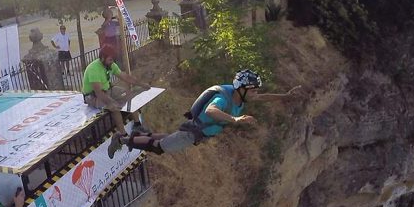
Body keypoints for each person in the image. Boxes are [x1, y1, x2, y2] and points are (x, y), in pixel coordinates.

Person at [107, 70, 295, 158]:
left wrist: (285, 96)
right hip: (193, 133)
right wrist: (235, 119)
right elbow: (211, 110)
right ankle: (122, 140)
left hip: (197, 132)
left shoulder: (240, 95)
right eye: (253, 90)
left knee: (165, 138)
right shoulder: (224, 99)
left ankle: (137, 136)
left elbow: (263, 98)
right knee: (159, 147)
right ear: (242, 89)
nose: (255, 94)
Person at [82, 45, 151, 135]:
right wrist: (111, 102)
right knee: (115, 106)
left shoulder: (111, 64)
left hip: (107, 90)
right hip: (93, 96)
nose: (112, 62)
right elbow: (98, 92)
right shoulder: (93, 69)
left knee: (129, 95)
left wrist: (142, 84)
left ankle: (137, 125)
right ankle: (123, 134)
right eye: (110, 60)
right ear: (103, 58)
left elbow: (125, 77)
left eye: (113, 60)